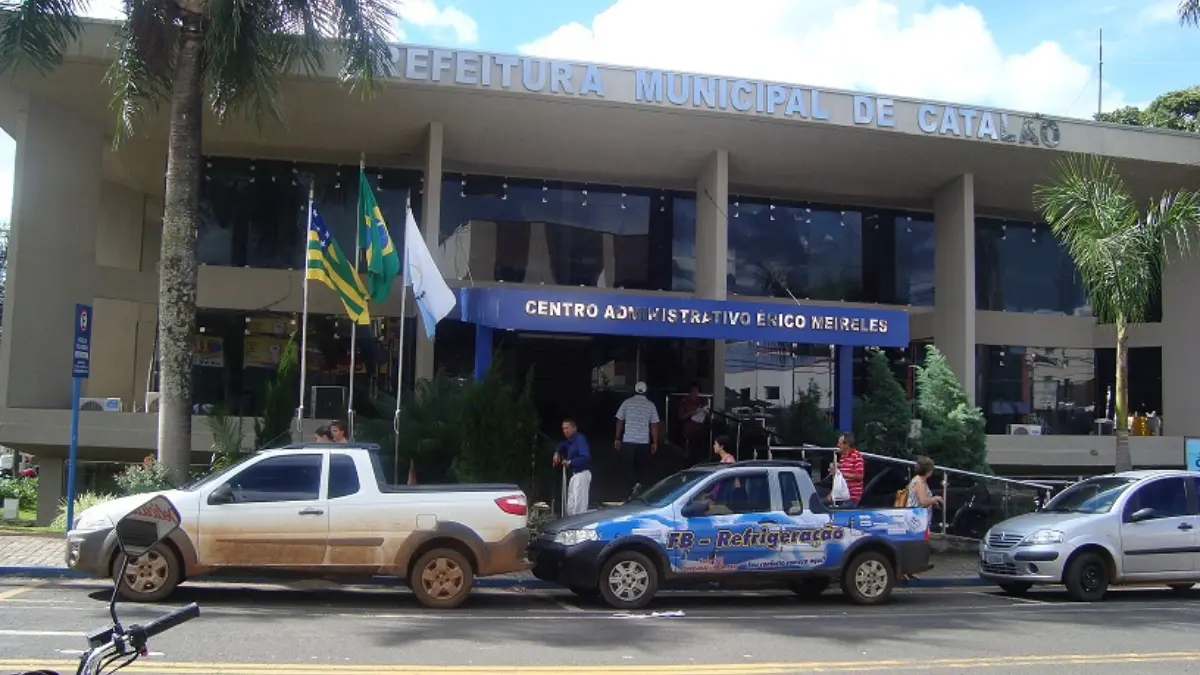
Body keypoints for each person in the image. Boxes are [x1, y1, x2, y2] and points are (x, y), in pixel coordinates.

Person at [614, 381, 661, 496]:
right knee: (641, 467)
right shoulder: (650, 405)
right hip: (643, 442)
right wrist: (655, 441)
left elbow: (620, 420)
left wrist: (617, 438)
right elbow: (654, 425)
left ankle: (633, 486)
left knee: (627, 467)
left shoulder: (626, 403)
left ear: (634, 390)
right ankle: (638, 486)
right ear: (646, 391)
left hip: (628, 440)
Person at [903, 455, 943, 581]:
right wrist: (935, 499)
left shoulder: (918, 480)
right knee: (916, 545)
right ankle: (907, 570)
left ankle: (910, 570)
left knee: (914, 545)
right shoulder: (920, 482)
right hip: (916, 518)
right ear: (928, 470)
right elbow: (923, 501)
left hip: (916, 517)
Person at [554, 418, 592, 516]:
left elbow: (586, 457)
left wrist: (570, 462)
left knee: (579, 507)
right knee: (570, 507)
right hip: (574, 475)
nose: (565, 431)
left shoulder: (579, 438)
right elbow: (561, 445)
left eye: (567, 428)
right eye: (563, 429)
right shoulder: (569, 441)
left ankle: (580, 525)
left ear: (574, 428)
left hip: (582, 474)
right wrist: (557, 452)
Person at [828, 431, 865, 506]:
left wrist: (840, 473)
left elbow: (860, 476)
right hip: (842, 494)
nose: (838, 445)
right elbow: (840, 479)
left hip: (852, 496)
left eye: (840, 443)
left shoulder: (857, 456)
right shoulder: (843, 458)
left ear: (847, 444)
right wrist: (832, 493)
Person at [678, 382, 709, 462]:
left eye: (697, 392)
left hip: (700, 427)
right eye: (693, 392)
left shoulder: (700, 401)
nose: (695, 394)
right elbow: (680, 417)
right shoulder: (684, 402)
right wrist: (690, 413)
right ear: (690, 392)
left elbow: (705, 414)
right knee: (693, 444)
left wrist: (705, 412)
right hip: (689, 428)